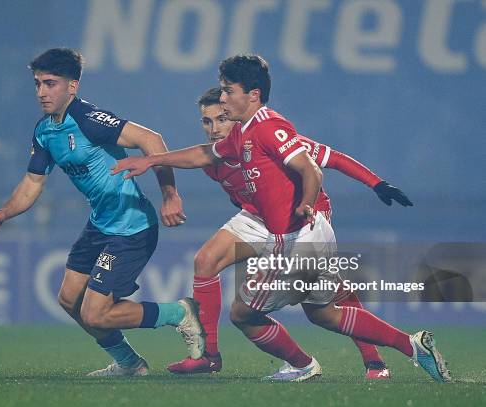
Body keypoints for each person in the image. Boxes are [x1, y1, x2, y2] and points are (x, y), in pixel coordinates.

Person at [112, 55, 450, 383]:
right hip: (281, 226)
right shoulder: (239, 135)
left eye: (228, 91)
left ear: (252, 94)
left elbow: (315, 167)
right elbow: (203, 154)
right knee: (323, 312)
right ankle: (412, 345)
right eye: (220, 95)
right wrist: (151, 160)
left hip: (296, 234)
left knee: (244, 313)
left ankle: (318, 364)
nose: (224, 99)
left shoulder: (270, 128)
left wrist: (362, 187)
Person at [0, 48, 205, 377]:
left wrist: (170, 194)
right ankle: (130, 363)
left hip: (131, 226)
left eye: (51, 83)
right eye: (38, 84)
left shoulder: (88, 120)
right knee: (70, 300)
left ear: (73, 86)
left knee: (97, 313)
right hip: (100, 225)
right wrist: (3, 213)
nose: (42, 92)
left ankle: (178, 313)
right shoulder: (45, 131)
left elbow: (150, 139)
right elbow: (32, 183)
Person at [166, 87, 413, 379]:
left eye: (221, 119)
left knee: (324, 304)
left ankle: (373, 360)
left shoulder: (267, 137)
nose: (214, 128)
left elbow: (334, 158)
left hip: (305, 216)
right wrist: (168, 191)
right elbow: (170, 161)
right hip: (258, 217)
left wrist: (376, 183)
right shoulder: (212, 163)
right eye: (207, 122)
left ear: (235, 114)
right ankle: (209, 355)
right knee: (205, 261)